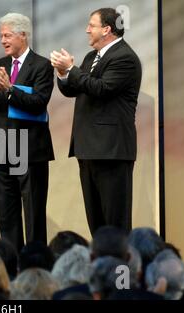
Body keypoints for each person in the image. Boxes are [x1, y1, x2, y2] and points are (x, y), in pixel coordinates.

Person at [50, 8, 142, 235]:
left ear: (107, 29)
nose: (87, 30)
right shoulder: (92, 57)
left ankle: (121, 270)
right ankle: (102, 268)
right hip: (88, 148)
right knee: (97, 222)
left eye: (92, 25)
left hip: (111, 150)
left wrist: (72, 69)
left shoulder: (125, 57)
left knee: (115, 223)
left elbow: (102, 89)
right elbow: (75, 89)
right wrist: (63, 73)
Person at [0, 13, 54, 253]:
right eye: (1, 35)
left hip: (31, 149)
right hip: (4, 147)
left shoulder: (41, 65)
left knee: (33, 212)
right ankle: (11, 266)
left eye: (7, 35)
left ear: (23, 35)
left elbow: (39, 102)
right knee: (7, 211)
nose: (3, 40)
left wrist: (10, 89)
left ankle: (35, 265)